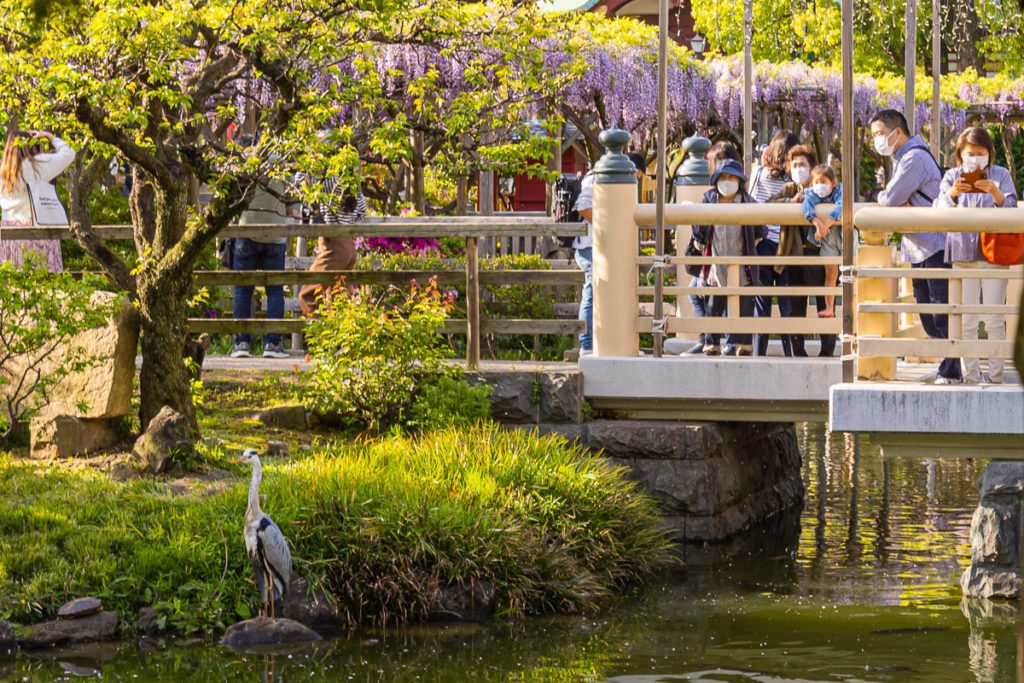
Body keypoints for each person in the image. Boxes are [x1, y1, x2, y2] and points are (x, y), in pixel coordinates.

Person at [870, 109, 961, 383]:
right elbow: (895, 198)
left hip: (934, 244)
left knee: (939, 310)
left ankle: (952, 369)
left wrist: (889, 197)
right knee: (926, 311)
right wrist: (895, 199)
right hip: (918, 245)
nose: (876, 140)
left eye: (879, 134)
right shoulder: (903, 159)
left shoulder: (914, 158)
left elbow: (888, 199)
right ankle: (949, 365)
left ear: (897, 132)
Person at [936, 126, 1018, 384]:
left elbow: (1013, 209)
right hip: (962, 252)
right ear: (960, 153)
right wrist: (953, 194)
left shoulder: (1001, 175)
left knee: (994, 317)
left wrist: (996, 194)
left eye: (981, 153)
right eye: (970, 153)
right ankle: (970, 375)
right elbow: (937, 210)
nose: (975, 158)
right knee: (966, 318)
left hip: (994, 253)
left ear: (989, 154)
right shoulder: (951, 176)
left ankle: (996, 375)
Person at [768, 145, 837, 357]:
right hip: (794, 252)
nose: (798, 169)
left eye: (803, 165)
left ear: (812, 167)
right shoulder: (790, 188)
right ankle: (797, 350)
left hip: (819, 253)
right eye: (794, 165)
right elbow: (768, 205)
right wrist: (791, 202)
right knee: (795, 304)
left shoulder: (825, 186)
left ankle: (827, 349)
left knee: (824, 300)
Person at [573, 153, 645, 356]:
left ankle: (611, 341)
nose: (638, 179)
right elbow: (583, 206)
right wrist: (610, 222)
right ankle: (586, 344)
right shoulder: (595, 177)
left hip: (602, 245)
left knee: (608, 289)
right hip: (588, 245)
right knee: (593, 287)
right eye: (638, 174)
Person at [693, 159, 764, 356]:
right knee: (713, 304)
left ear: (739, 180)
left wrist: (754, 240)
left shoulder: (747, 201)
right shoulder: (709, 198)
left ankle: (744, 344)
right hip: (716, 260)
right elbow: (697, 226)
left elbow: (761, 229)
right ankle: (712, 343)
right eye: (723, 177)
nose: (727, 181)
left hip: (743, 262)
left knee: (745, 304)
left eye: (731, 177)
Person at [231, 135, 294, 359]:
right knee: (275, 290)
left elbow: (232, 198)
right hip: (275, 233)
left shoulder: (245, 163)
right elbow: (292, 200)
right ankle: (272, 343)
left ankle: (241, 344)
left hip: (247, 230)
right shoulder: (281, 164)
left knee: (242, 289)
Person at [748, 131, 799, 356]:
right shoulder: (795, 181)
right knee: (786, 304)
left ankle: (760, 353)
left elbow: (752, 203)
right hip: (784, 244)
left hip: (762, 243)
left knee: (762, 304)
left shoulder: (757, 173)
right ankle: (791, 353)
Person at [0, 129, 75, 271]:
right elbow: (69, 153)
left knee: (13, 281)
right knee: (43, 278)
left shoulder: (3, 170)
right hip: (36, 225)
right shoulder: (37, 164)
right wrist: (51, 137)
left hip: (7, 229)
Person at [298, 179, 367, 317]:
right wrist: (347, 220)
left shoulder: (327, 178)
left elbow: (301, 181)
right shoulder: (352, 181)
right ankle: (338, 334)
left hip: (332, 241)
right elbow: (362, 213)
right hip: (348, 243)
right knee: (338, 296)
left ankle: (321, 333)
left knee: (307, 295)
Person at [802, 164, 843, 318]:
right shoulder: (813, 194)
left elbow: (841, 206)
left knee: (850, 271)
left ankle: (854, 306)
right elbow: (806, 205)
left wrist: (826, 224)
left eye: (823, 181)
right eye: (816, 182)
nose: (819, 185)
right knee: (831, 273)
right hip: (827, 237)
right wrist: (817, 223)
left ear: (833, 182)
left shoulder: (840, 190)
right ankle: (829, 308)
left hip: (842, 233)